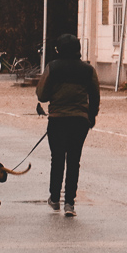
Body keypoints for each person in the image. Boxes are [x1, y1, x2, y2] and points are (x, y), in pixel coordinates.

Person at [35, 34, 99, 217]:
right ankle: (70, 203)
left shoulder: (53, 68)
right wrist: (91, 116)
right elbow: (95, 95)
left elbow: (42, 95)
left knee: (57, 159)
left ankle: (55, 198)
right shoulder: (88, 70)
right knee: (73, 161)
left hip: (58, 119)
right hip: (80, 120)